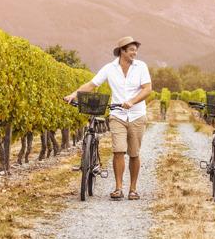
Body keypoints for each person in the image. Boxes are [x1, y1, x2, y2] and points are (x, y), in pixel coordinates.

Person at [64, 36, 152, 201]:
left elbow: (147, 90)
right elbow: (92, 84)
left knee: (134, 153)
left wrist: (132, 102)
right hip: (117, 114)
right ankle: (118, 188)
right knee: (118, 151)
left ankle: (133, 189)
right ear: (122, 51)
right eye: (131, 49)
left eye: (135, 49)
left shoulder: (141, 67)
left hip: (137, 114)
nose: (135, 52)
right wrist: (74, 94)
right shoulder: (109, 68)